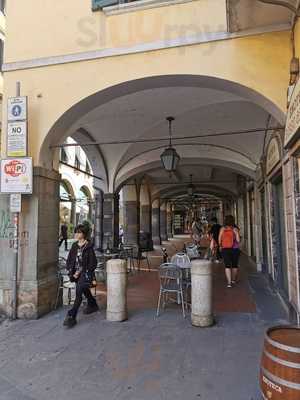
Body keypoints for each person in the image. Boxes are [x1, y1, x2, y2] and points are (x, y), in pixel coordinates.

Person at [63, 224, 99, 328]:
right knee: (84, 289)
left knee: (79, 292)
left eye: (79, 232)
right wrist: (72, 271)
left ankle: (72, 315)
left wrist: (83, 270)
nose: (76, 234)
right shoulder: (74, 245)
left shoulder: (88, 247)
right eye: (76, 232)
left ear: (84, 234)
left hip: (85, 274)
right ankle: (93, 304)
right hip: (75, 274)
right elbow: (70, 260)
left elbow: (93, 263)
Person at [218, 215, 240, 288]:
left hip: (225, 248)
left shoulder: (222, 229)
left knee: (227, 266)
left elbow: (219, 239)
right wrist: (236, 233)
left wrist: (220, 246)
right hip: (235, 249)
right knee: (234, 265)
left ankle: (229, 283)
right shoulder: (235, 229)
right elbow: (238, 240)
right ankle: (233, 280)